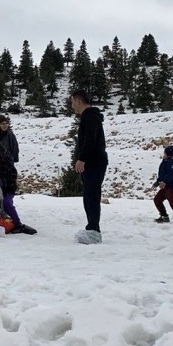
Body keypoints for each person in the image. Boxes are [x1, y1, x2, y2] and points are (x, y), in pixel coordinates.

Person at [70, 90, 108, 244]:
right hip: (93, 162)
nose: (72, 106)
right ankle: (92, 228)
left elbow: (90, 140)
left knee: (92, 196)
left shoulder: (90, 116)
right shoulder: (89, 116)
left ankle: (94, 230)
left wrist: (82, 158)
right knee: (88, 196)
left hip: (94, 162)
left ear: (78, 101)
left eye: (72, 102)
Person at [0, 143, 37, 234]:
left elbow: (11, 180)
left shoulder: (8, 165)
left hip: (8, 190)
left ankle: (18, 224)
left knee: (6, 203)